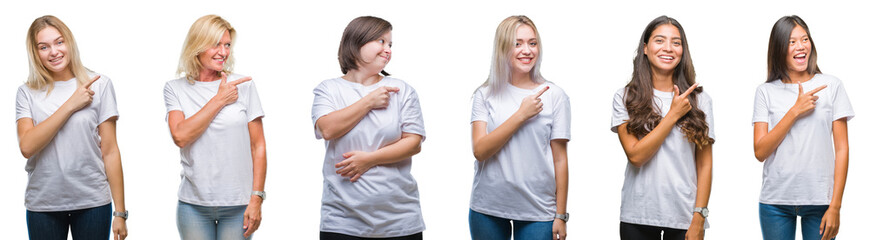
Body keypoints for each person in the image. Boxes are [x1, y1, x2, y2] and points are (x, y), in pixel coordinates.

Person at [311, 16, 425, 240]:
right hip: (342, 220)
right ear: (356, 43)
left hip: (400, 219)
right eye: (381, 41)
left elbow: (413, 143)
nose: (388, 49)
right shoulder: (329, 89)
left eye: (390, 44)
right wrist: (368, 102)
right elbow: (327, 129)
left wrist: (369, 159)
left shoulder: (402, 90)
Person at [16, 15, 128, 240]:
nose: (54, 52)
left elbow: (110, 150)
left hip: (92, 202)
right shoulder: (27, 92)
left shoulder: (99, 84)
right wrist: (70, 105)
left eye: (59, 42)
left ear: (69, 42)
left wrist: (120, 212)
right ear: (35, 53)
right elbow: (27, 146)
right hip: (44, 204)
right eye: (44, 47)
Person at [164, 14, 266, 240]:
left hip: (239, 205)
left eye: (227, 45)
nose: (223, 52)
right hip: (193, 205)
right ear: (197, 46)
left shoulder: (244, 85)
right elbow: (180, 136)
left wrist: (257, 198)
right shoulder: (175, 89)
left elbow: (258, 146)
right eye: (215, 44)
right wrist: (219, 100)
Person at [611, 15, 713, 240]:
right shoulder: (625, 97)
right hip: (637, 217)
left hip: (685, 218)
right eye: (660, 40)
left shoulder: (700, 99)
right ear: (645, 48)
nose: (668, 48)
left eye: (676, 42)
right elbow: (636, 156)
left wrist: (699, 217)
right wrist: (673, 115)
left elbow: (704, 163)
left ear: (683, 50)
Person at [468, 15, 570, 240]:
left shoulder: (555, 95)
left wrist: (561, 215)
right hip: (487, 209)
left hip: (538, 210)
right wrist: (521, 115)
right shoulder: (484, 94)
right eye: (518, 43)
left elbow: (560, 159)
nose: (527, 50)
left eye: (532, 43)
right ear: (503, 48)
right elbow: (480, 150)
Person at [752, 15, 853, 240]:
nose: (801, 46)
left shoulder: (831, 85)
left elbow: (842, 149)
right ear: (779, 48)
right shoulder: (765, 91)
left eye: (804, 39)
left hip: (821, 202)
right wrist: (794, 112)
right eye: (791, 41)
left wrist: (835, 205)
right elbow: (760, 151)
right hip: (775, 203)